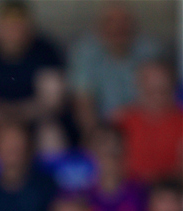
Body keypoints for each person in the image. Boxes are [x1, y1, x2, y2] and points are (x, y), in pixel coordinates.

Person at [0, 0, 70, 155]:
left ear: (29, 26)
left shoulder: (45, 51)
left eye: (18, 24)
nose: (13, 30)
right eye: (7, 24)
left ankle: (46, 179)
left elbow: (53, 101)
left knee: (51, 133)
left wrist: (18, 114)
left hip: (31, 124)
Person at [68, 1, 162, 135]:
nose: (118, 27)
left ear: (134, 25)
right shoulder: (85, 51)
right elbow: (82, 101)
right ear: (99, 27)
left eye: (124, 21)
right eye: (110, 21)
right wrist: (95, 135)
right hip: (103, 127)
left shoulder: (150, 50)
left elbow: (159, 95)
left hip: (144, 124)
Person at [112, 59, 183, 185]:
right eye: (150, 90)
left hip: (171, 194)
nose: (157, 96)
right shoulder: (120, 120)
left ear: (172, 87)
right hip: (130, 193)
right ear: (139, 86)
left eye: (162, 90)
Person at [85, 124, 144, 211]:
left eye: (113, 154)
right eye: (102, 153)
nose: (108, 161)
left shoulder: (139, 192)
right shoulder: (81, 195)